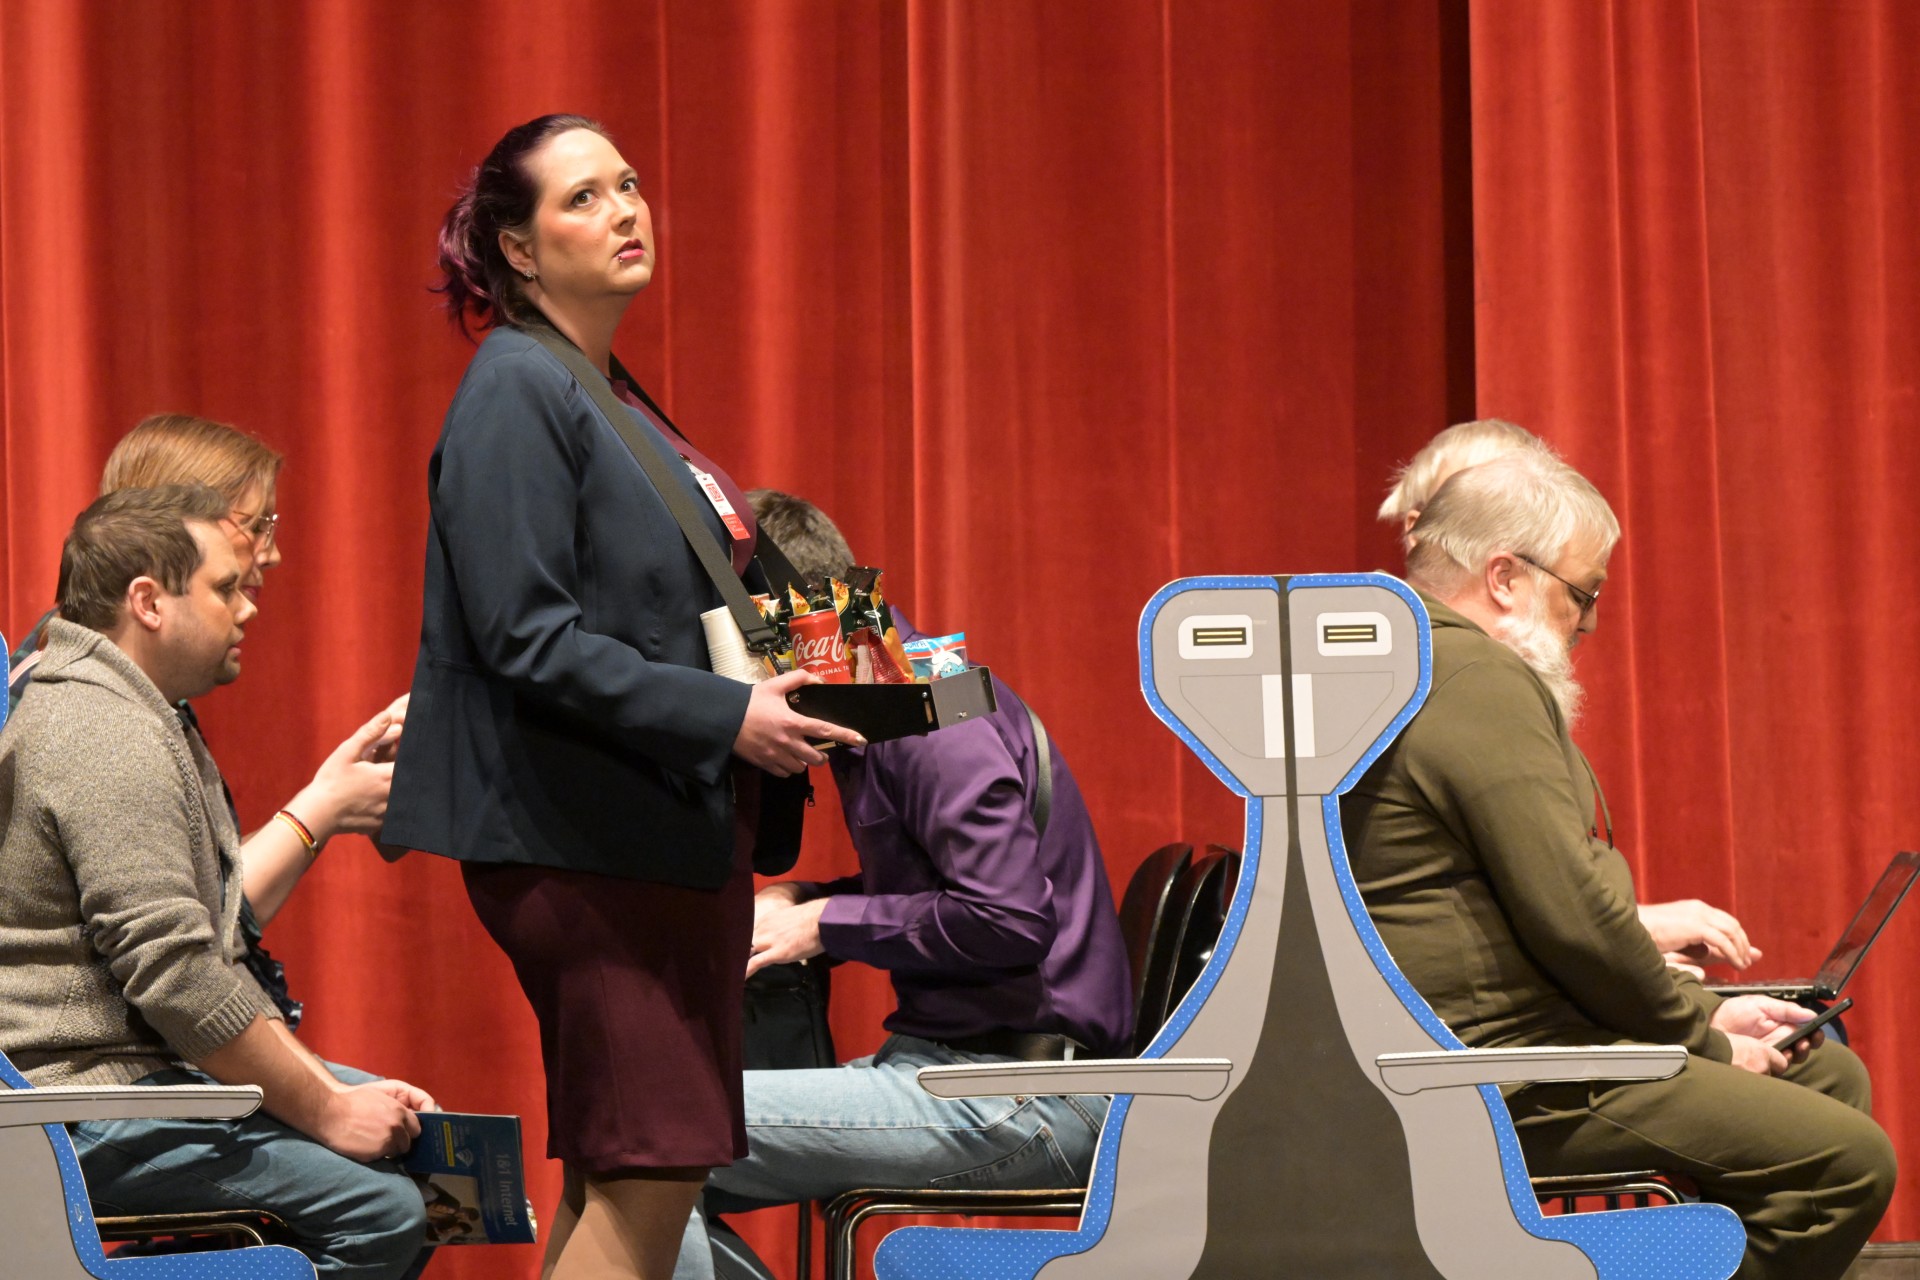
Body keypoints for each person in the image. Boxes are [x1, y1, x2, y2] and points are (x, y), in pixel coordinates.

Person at [384, 114, 862, 1280]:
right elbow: (526, 636)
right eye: (584, 197)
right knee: (651, 1169)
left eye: (631, 184)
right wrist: (727, 714)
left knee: (626, 1172)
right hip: (592, 846)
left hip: (653, 838)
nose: (627, 209)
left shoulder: (600, 389)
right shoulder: (515, 388)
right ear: (519, 249)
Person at [1341, 452, 1895, 1280]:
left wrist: (1701, 1018)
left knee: (1825, 1075)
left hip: (1511, 1045)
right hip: (1504, 1077)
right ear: (1504, 577)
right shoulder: (1473, 678)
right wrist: (1703, 1038)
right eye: (1582, 593)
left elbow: (1559, 913)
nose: (1590, 623)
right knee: (1844, 1164)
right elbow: (1577, 919)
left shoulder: (1407, 662)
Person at [673, 491, 1132, 1280]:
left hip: (1025, 1094)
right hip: (956, 1069)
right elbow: (948, 883)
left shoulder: (934, 720)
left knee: (661, 1141)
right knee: (644, 1139)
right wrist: (810, 899)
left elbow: (1009, 918)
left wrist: (826, 923)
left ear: (779, 622)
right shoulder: (891, 696)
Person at [0, 485, 435, 1280]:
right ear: (148, 602)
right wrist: (327, 1106)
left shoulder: (137, 710)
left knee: (419, 1144)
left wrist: (335, 1094)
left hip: (140, 1076)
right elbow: (177, 977)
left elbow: (207, 953)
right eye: (225, 588)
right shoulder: (100, 731)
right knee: (381, 1210)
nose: (248, 608)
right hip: (74, 1103)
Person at [1378, 419, 1759, 979]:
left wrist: (1638, 947)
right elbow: (1546, 913)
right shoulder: (1456, 676)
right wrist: (1681, 1005)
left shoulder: (1471, 668)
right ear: (1420, 532)